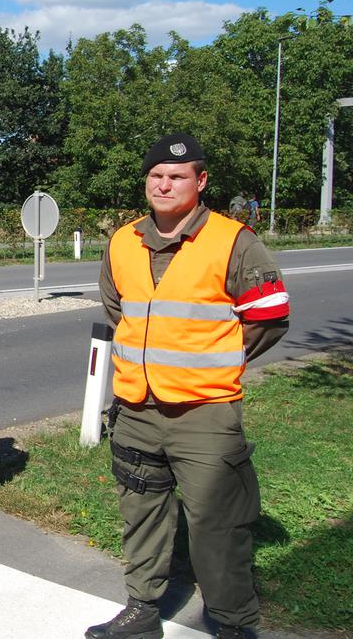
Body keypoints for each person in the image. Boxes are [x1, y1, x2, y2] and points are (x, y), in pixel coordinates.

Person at [86, 133, 290, 639]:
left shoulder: (233, 240)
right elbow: (119, 311)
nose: (164, 184)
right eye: (156, 175)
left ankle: (232, 623)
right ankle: (142, 610)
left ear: (200, 182)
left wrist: (209, 363)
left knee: (218, 526)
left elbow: (268, 316)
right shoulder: (123, 241)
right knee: (141, 512)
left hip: (204, 414)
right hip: (135, 406)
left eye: (177, 176)